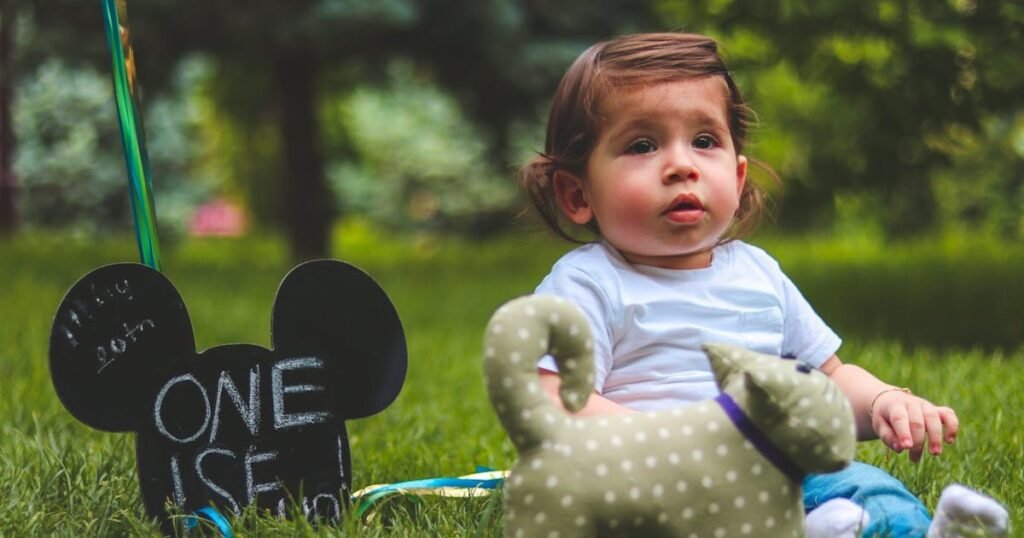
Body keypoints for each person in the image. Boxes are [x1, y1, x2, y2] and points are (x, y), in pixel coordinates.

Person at [519, 32, 1008, 538]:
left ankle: (902, 531)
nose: (683, 165)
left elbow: (829, 378)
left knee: (864, 484)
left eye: (705, 141)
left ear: (737, 173)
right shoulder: (587, 285)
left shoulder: (757, 274)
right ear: (577, 193)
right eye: (642, 145)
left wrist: (883, 400)